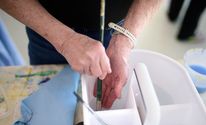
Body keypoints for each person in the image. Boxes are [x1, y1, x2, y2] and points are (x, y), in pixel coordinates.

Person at [0, 0, 160, 108]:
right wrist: (64, 41)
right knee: (47, 102)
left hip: (117, 29)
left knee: (102, 91)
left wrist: (124, 40)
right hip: (47, 29)